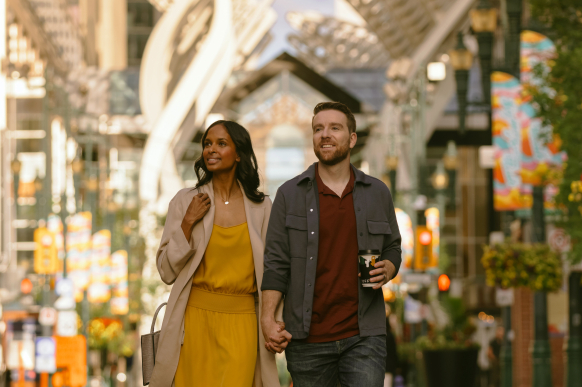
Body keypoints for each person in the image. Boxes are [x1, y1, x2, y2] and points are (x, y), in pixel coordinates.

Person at [261, 102, 403, 387]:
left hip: (364, 335)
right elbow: (276, 263)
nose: (325, 134)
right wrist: (267, 318)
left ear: (352, 139)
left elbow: (393, 247)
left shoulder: (377, 192)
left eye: (334, 128)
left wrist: (389, 267)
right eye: (318, 129)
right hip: (307, 340)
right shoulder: (289, 194)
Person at [149, 120, 281, 387]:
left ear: (239, 153)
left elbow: (274, 272)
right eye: (207, 143)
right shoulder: (185, 201)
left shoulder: (262, 207)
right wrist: (187, 223)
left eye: (222, 143)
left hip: (243, 324)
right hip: (194, 323)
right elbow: (165, 270)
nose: (211, 149)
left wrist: (275, 321)